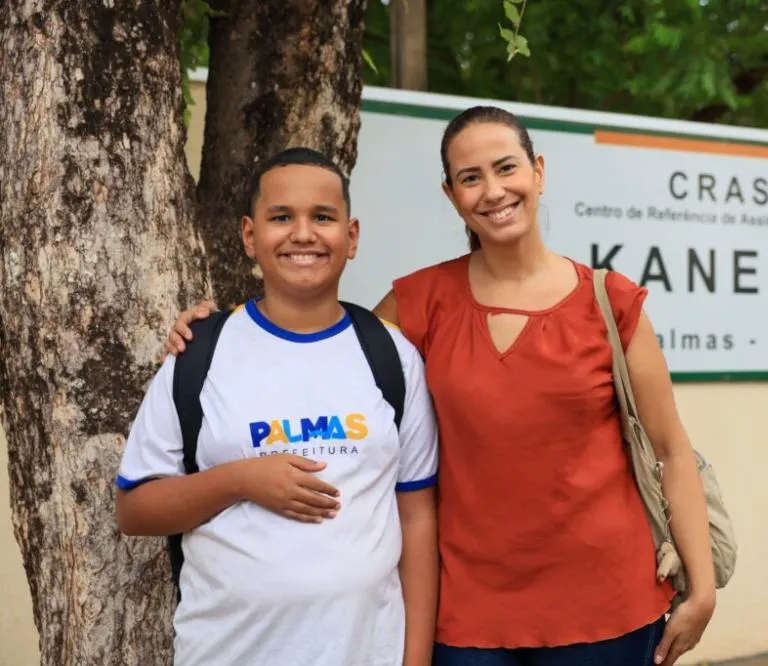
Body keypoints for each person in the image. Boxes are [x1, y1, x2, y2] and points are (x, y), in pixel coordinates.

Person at [166, 108, 716, 666]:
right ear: (452, 195)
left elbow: (671, 450)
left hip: (608, 605)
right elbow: (316, 343)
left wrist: (703, 588)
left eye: (506, 168)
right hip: (466, 612)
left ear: (539, 172)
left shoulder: (610, 301)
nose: (493, 191)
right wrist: (219, 330)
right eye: (471, 178)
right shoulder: (422, 301)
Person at [117, 147, 439, 666]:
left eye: (323, 217)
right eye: (282, 217)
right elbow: (134, 509)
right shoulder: (199, 354)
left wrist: (416, 661)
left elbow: (417, 518)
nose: (303, 234)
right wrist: (240, 480)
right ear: (250, 236)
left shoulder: (391, 355)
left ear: (352, 236)